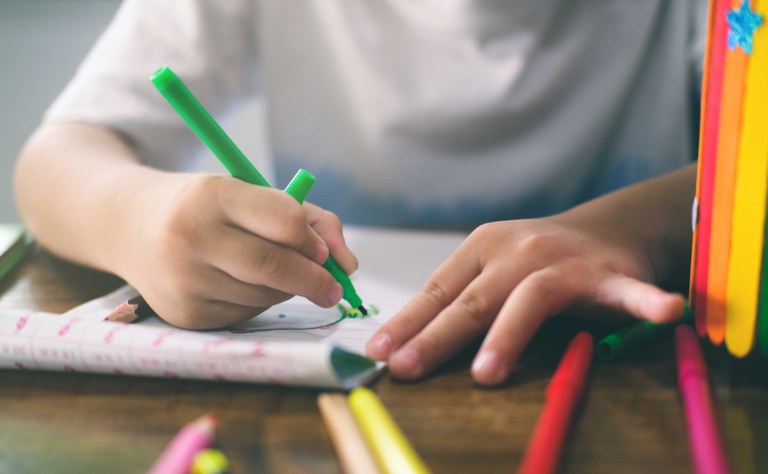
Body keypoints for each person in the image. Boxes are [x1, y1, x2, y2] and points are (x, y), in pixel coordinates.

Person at [14, 0, 705, 385]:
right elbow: (54, 160)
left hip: (627, 365)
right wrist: (141, 220)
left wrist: (637, 227)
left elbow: (749, 165)